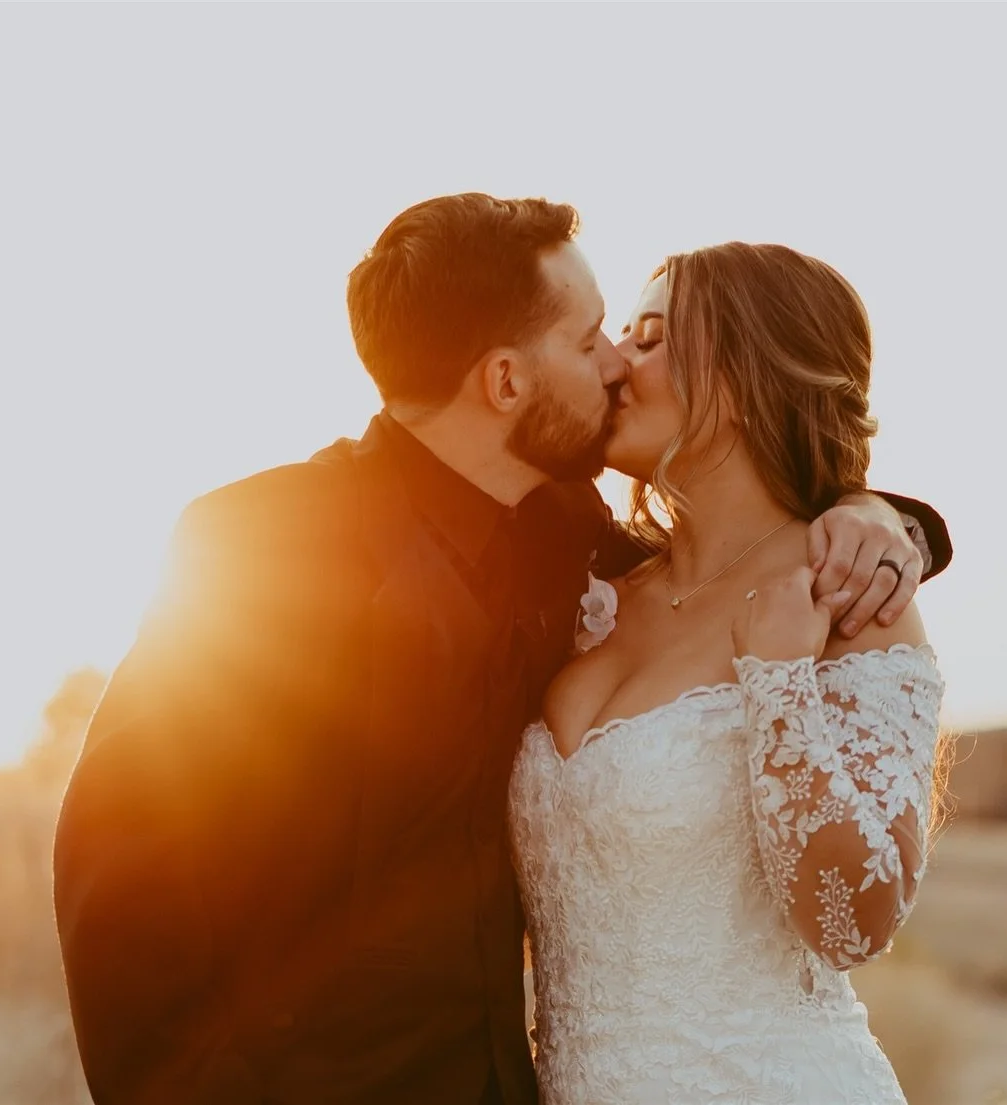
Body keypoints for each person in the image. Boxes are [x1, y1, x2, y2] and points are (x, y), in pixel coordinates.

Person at [52, 195, 951, 1105]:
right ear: (507, 382)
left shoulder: (581, 545)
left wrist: (880, 531)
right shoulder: (268, 545)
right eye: (602, 335)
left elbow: (740, 566)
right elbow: (122, 873)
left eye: (643, 335)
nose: (613, 364)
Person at [509, 242, 948, 1104]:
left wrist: (780, 683)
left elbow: (850, 920)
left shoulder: (850, 598)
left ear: (750, 370)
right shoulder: (589, 594)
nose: (614, 363)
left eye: (650, 337)